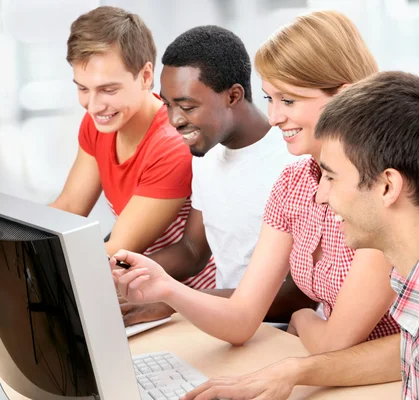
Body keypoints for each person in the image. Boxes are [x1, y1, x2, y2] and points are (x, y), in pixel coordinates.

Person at [182, 71, 419, 400]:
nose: (320, 195)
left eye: (331, 177)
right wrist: (293, 372)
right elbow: (409, 350)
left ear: (387, 187)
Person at [112, 10, 400, 354]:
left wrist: (302, 320)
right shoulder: (293, 183)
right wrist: (165, 289)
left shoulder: (383, 190)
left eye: (289, 100)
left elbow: (334, 343)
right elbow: (242, 318)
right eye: (270, 98)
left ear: (344, 96)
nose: (275, 117)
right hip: (322, 362)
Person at [121, 25, 316, 326]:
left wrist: (177, 301)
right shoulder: (205, 151)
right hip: (221, 322)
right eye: (168, 104)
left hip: (274, 328)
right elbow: (193, 249)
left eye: (187, 106)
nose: (174, 120)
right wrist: (121, 276)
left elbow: (301, 293)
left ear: (233, 96)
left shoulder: (294, 161)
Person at [50, 6, 215, 290]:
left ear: (146, 75)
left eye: (108, 90)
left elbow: (118, 249)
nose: (94, 105)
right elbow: (69, 207)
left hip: (186, 296)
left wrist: (18, 276)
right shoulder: (100, 122)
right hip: (128, 284)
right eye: (83, 88)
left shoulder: (172, 144)